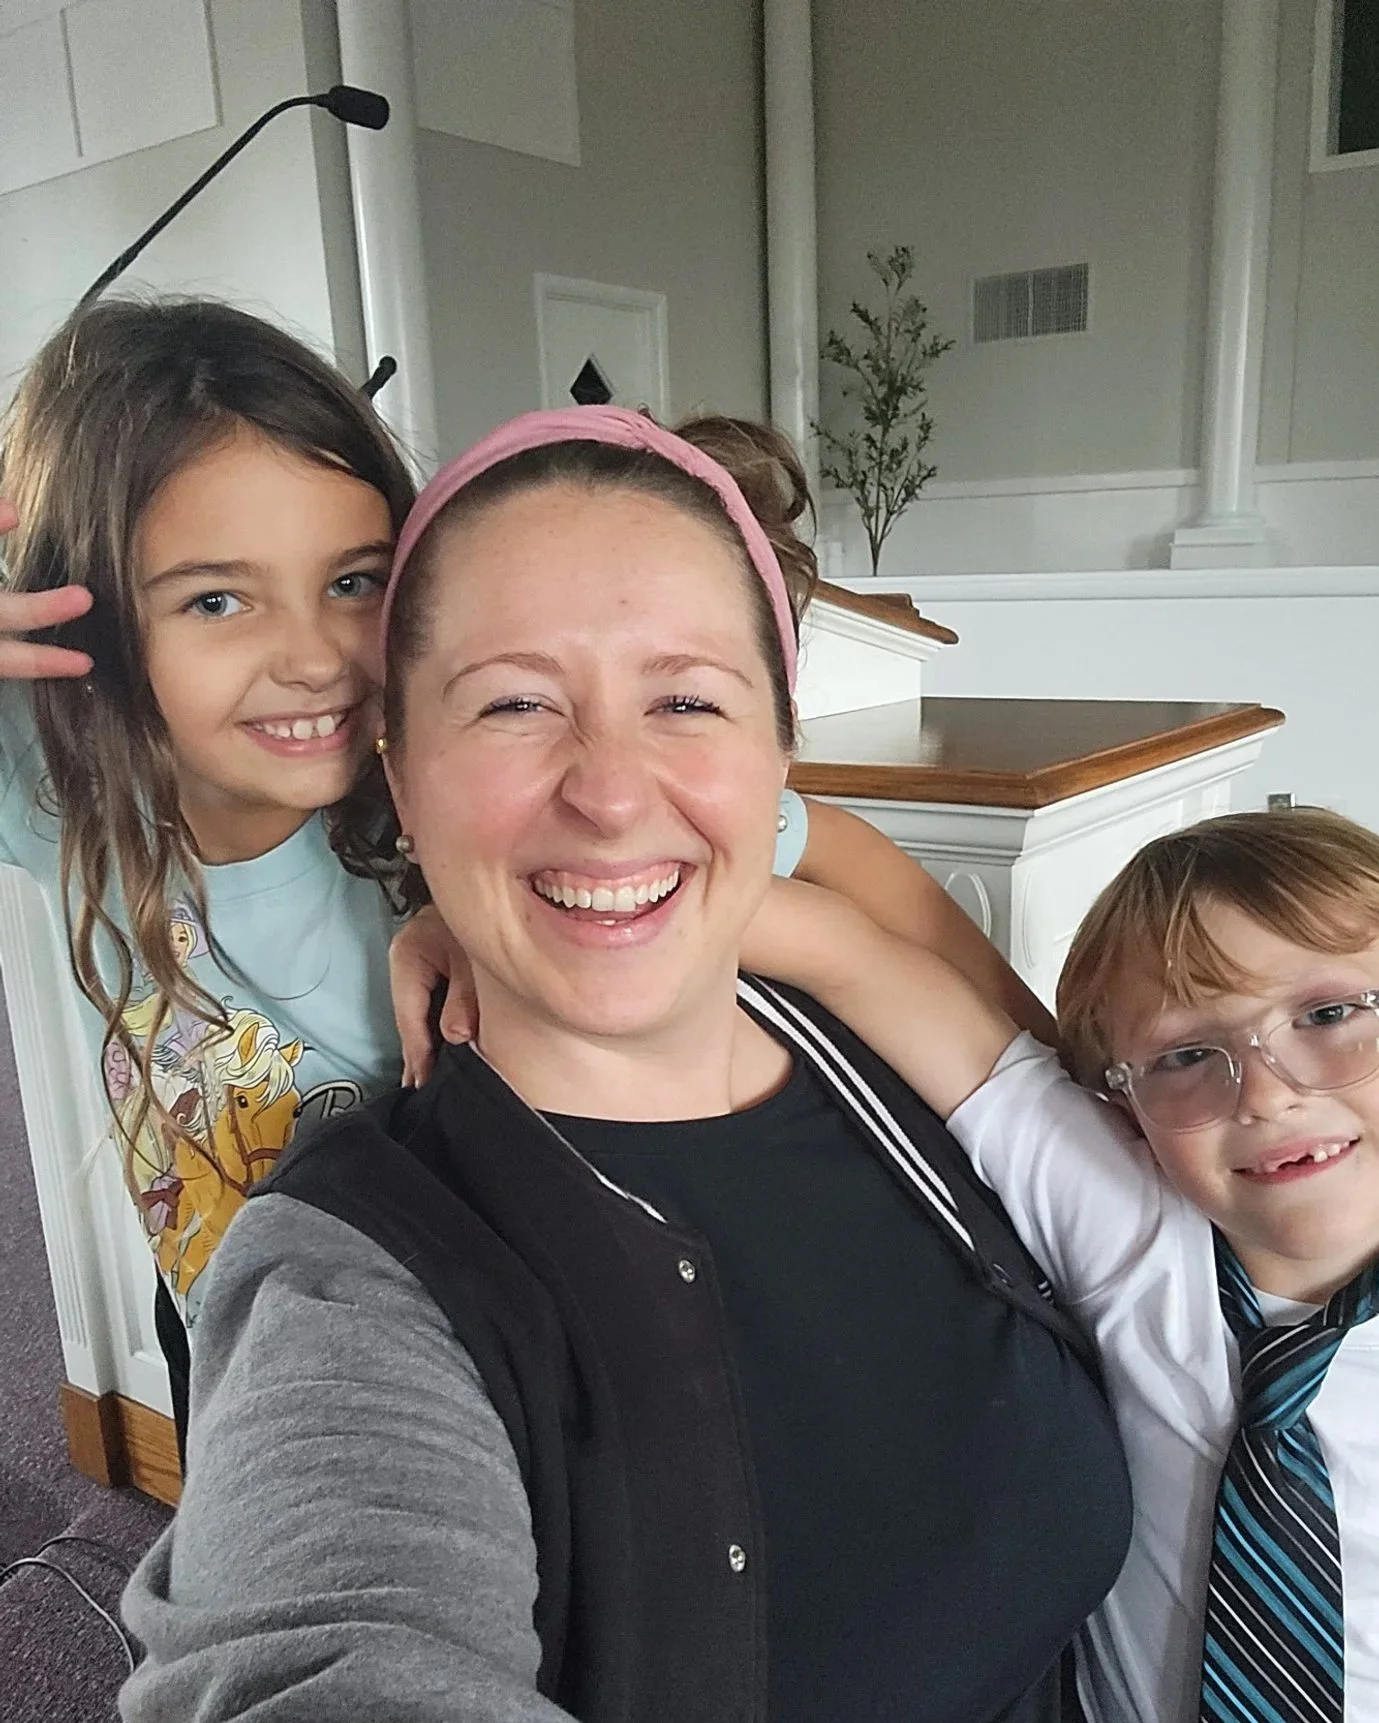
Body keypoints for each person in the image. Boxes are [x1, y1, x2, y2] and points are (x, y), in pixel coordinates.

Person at [24, 406, 1151, 1723]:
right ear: (397, 769)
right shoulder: (364, 1284)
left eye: (685, 698)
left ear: (772, 758)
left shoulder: (905, 1064)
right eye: (511, 706)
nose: (610, 791)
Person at [0, 297, 1033, 1459]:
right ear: (94, 631)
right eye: (217, 600)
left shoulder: (479, 816)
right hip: (233, 1332)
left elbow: (831, 846)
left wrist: (1047, 1073)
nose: (311, 657)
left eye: (354, 583)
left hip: (489, 1379)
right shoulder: (65, 787)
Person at [743, 809, 1379, 1723]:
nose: (1266, 1090)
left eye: (1329, 1016)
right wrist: (500, 921)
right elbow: (854, 958)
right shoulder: (1126, 1231)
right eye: (1189, 1053)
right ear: (1126, 1100)